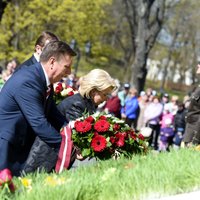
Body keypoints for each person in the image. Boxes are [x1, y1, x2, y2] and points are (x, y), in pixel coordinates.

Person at [0, 41, 76, 176]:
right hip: (6, 145)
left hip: (18, 144)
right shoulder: (29, 81)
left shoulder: (42, 80)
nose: (69, 72)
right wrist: (67, 146)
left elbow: (52, 113)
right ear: (52, 62)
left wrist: (72, 130)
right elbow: (39, 123)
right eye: (67, 67)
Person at [182, 62, 200, 146]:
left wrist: (197, 137)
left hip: (196, 130)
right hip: (191, 127)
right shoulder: (198, 86)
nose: (198, 65)